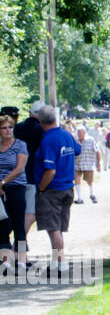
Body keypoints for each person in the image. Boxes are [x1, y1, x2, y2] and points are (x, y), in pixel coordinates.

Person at [32, 104, 79, 271]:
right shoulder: (66, 135)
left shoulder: (47, 140)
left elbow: (50, 171)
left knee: (53, 229)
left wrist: (41, 188)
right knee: (57, 227)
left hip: (52, 190)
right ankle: (57, 261)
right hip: (67, 187)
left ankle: (61, 263)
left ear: (39, 120)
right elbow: (77, 150)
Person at [0, 113, 29, 268]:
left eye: (10, 127)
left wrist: (3, 182)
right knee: (3, 225)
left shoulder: (20, 145)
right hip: (0, 190)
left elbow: (19, 168)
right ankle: (6, 259)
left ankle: (22, 259)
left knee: (19, 224)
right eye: (4, 128)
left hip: (16, 187)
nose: (7, 130)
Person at [14, 101, 45, 240]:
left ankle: (19, 252)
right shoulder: (42, 130)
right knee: (29, 215)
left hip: (14, 176)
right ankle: (17, 248)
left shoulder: (17, 128)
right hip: (32, 176)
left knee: (18, 215)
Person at [73, 126, 98, 203]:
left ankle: (92, 194)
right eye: (78, 133)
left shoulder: (90, 140)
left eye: (81, 132)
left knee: (89, 181)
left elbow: (97, 151)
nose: (80, 134)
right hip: (77, 163)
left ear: (84, 133)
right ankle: (79, 198)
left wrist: (98, 163)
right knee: (76, 180)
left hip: (88, 163)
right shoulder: (75, 140)